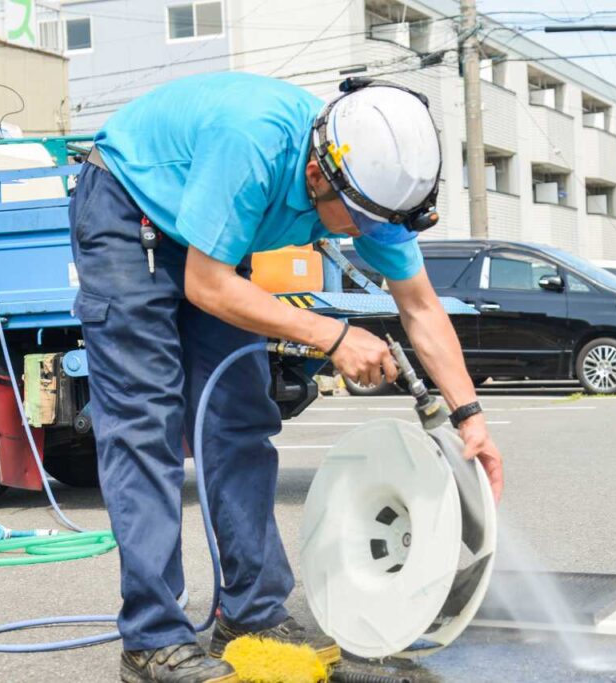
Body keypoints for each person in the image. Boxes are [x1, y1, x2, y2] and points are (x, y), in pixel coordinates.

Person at [68, 72, 504, 683]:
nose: (361, 236)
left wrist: (469, 417)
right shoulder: (253, 143)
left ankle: (251, 612)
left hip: (212, 237)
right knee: (147, 425)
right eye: (354, 221)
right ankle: (152, 640)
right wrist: (333, 335)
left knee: (240, 418)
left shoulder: (373, 190)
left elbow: (421, 306)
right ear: (320, 173)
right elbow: (206, 284)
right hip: (130, 210)